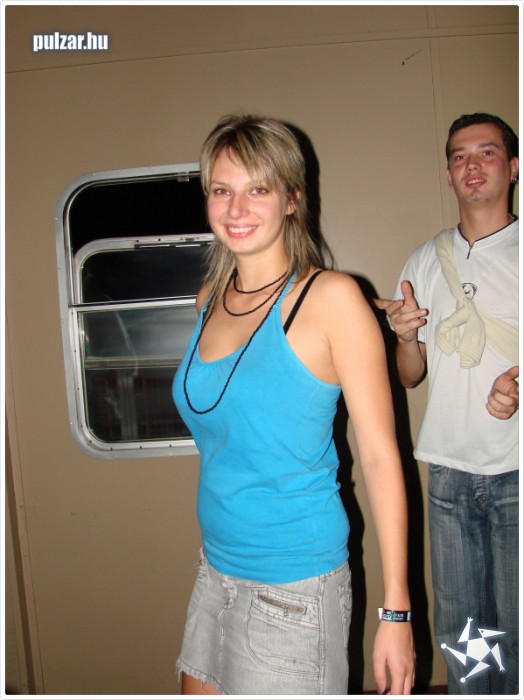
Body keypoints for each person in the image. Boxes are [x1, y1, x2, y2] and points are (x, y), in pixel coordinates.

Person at [172, 114, 415, 695]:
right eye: (221, 190)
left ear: (291, 199)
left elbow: (381, 458)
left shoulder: (332, 299)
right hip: (215, 568)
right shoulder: (209, 299)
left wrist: (397, 610)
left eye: (257, 188)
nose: (236, 208)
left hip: (294, 589)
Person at [375, 113, 519, 695]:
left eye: (487, 152)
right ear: (448, 172)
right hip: (448, 478)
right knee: (466, 636)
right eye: (460, 156)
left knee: (518, 633)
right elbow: (410, 377)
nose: (472, 165)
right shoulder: (424, 261)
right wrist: (406, 338)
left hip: (517, 471)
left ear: (514, 167)